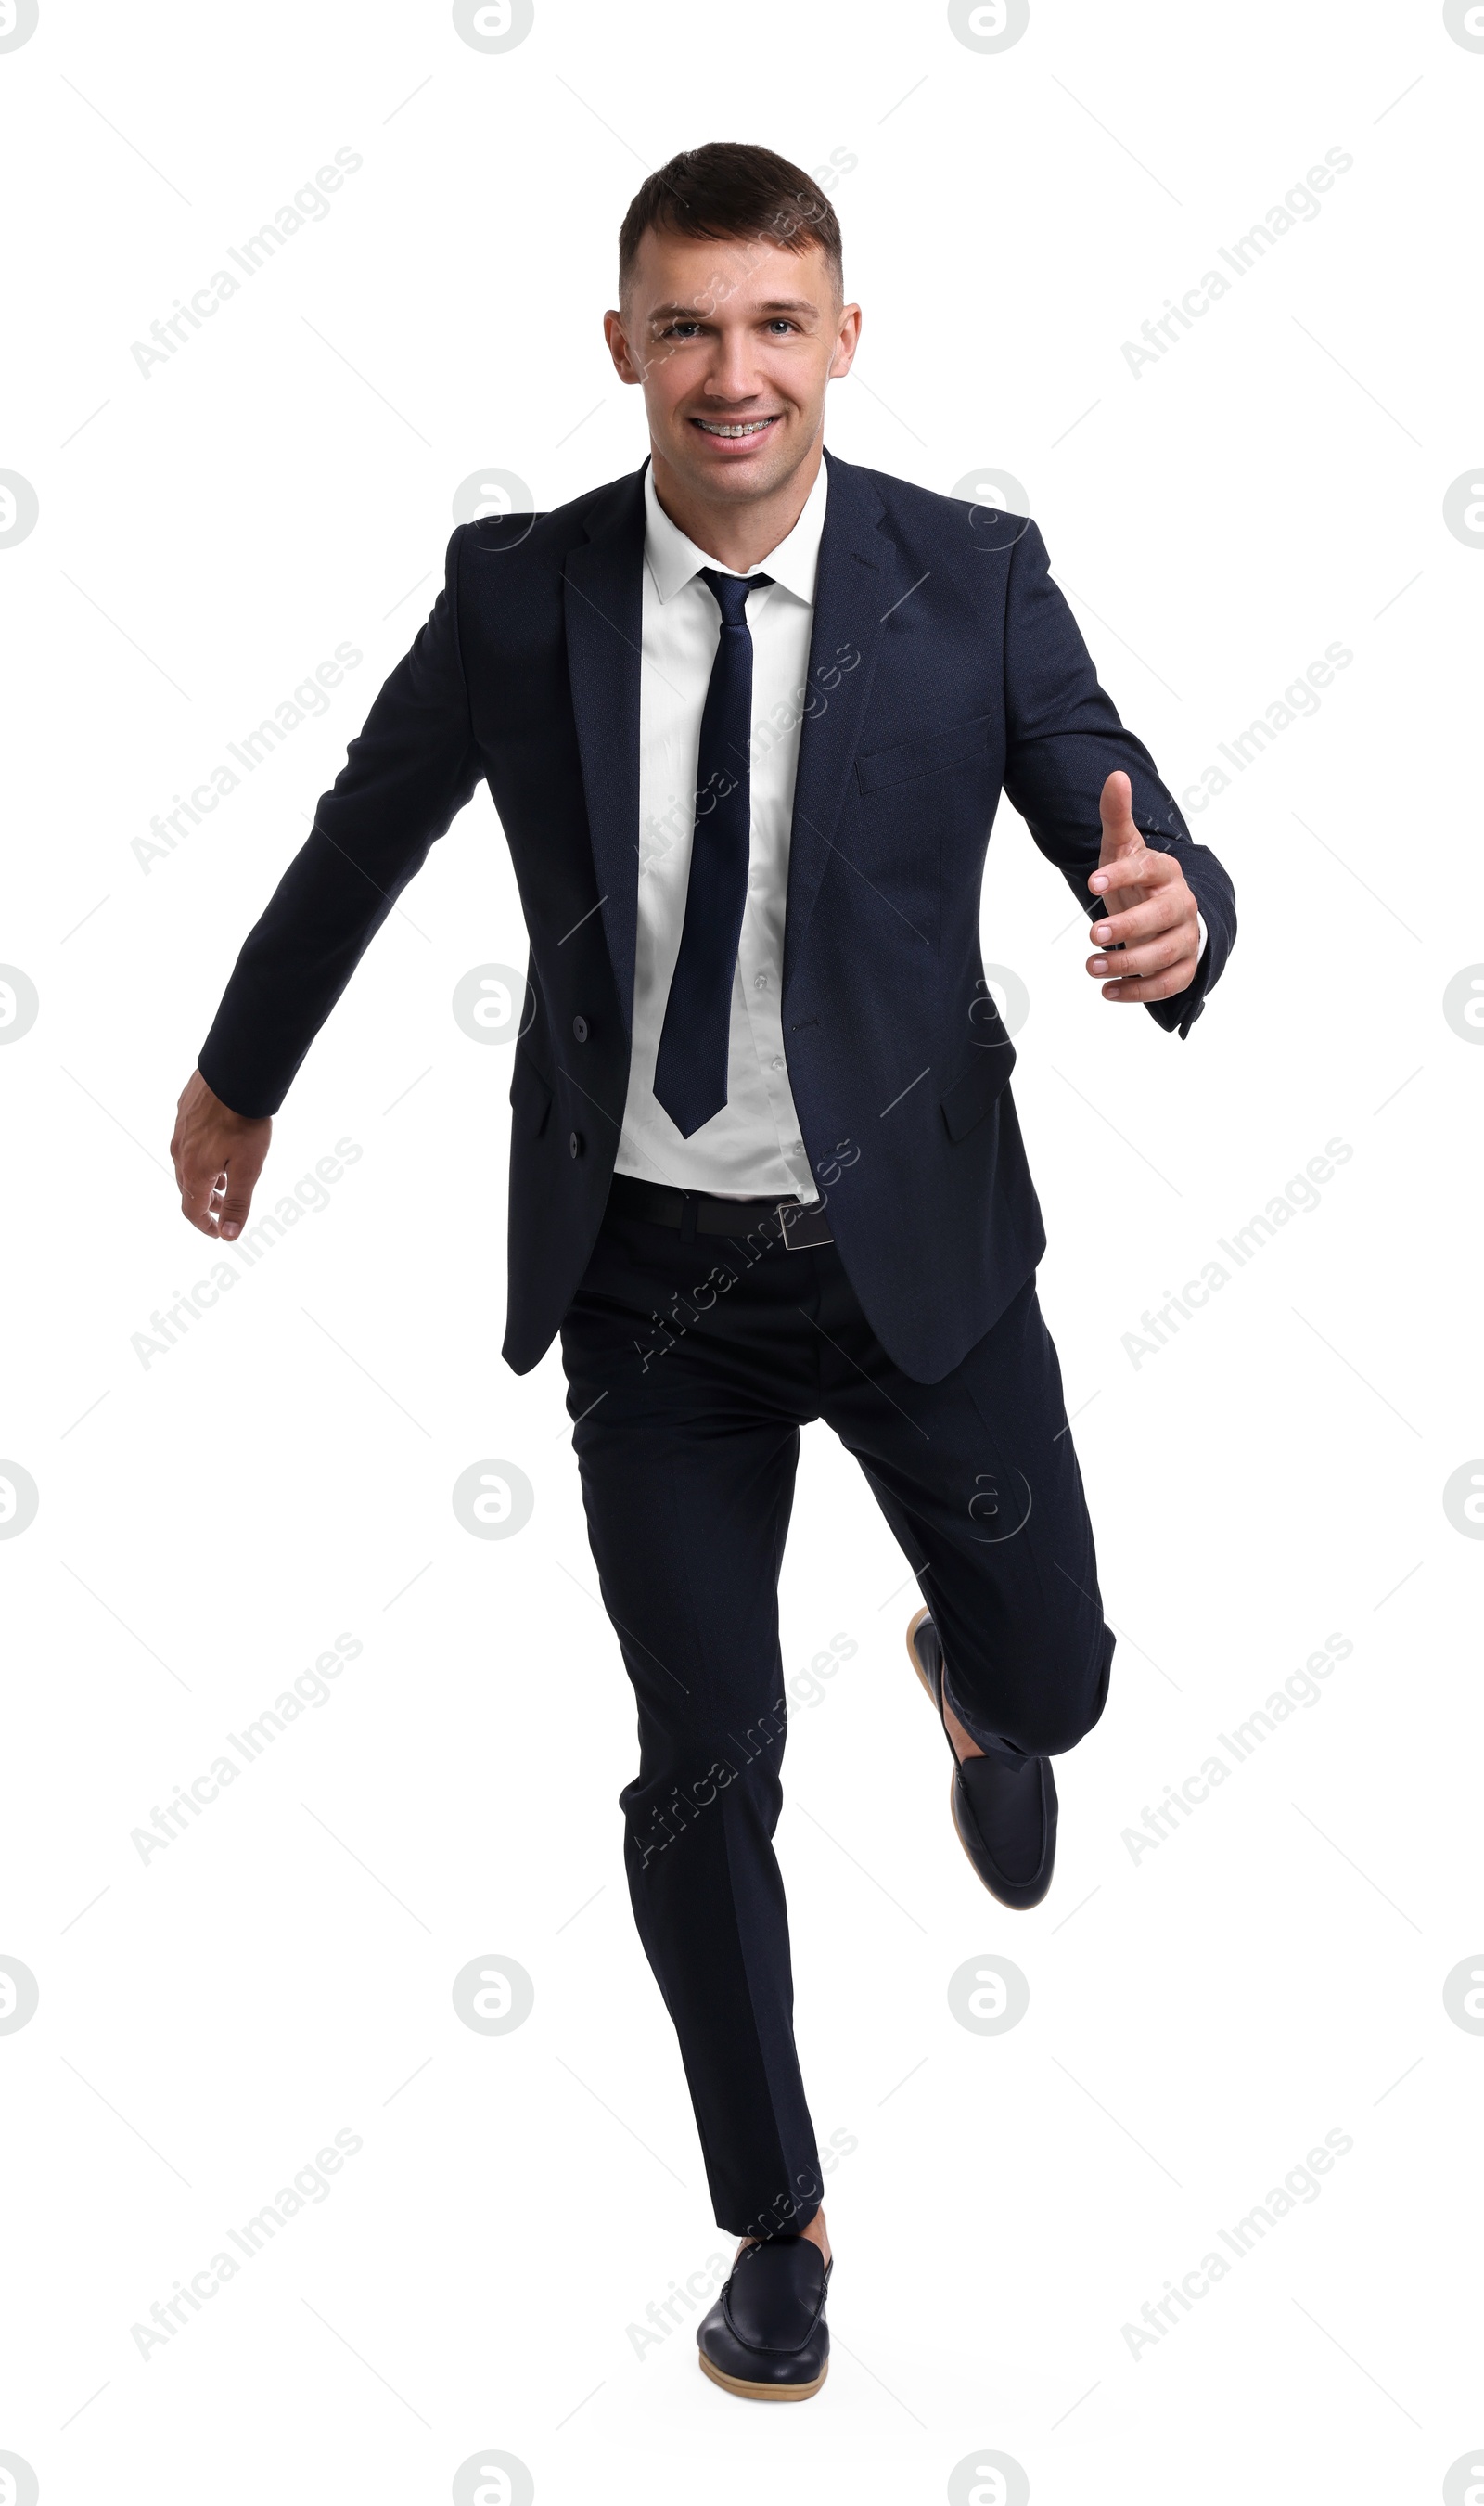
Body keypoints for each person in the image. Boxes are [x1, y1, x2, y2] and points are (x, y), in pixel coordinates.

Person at [171, 141, 1235, 2404]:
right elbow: (358, 832)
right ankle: (778, 2218)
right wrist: (236, 1078)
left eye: (775, 324)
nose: (730, 372)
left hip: (916, 1257)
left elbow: (1113, 802)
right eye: (685, 326)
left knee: (1066, 1684)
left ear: (843, 338)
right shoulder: (519, 596)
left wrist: (1177, 921)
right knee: (697, 1766)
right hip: (653, 1293)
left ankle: (981, 1683)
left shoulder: (966, 578)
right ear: (621, 345)